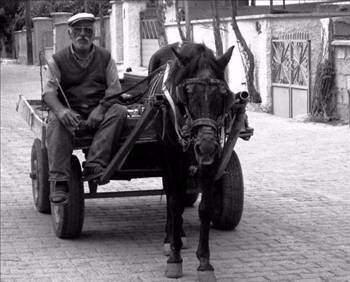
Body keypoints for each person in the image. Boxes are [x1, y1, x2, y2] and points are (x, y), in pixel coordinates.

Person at [43, 13, 127, 205]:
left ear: (94, 33)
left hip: (98, 112)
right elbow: (49, 93)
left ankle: (94, 164)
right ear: (70, 33)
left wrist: (101, 109)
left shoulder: (106, 58)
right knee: (55, 119)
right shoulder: (57, 60)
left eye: (88, 31)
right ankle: (59, 181)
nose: (83, 35)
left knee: (119, 111)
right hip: (71, 114)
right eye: (78, 31)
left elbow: (115, 89)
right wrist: (62, 111)